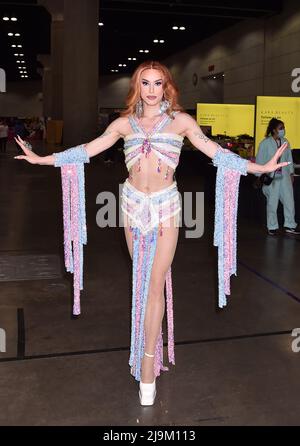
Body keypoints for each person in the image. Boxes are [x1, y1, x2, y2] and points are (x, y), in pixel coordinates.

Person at [14, 61, 289, 406]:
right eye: (145, 83)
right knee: (142, 283)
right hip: (130, 207)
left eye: (158, 83)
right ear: (137, 87)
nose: (152, 89)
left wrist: (257, 167)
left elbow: (216, 153)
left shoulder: (181, 122)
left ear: (167, 87)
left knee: (156, 281)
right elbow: (87, 150)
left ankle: (147, 364)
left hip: (166, 209)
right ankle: (147, 353)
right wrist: (43, 160)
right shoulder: (123, 125)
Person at [256, 118, 300, 236]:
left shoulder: (286, 142)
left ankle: (290, 225)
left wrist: (291, 173)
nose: (283, 130)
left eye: (283, 128)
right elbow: (260, 160)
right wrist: (260, 175)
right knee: (272, 202)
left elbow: (289, 159)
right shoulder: (265, 143)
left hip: (284, 177)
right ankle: (272, 226)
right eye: (281, 128)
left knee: (289, 201)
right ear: (274, 130)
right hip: (272, 178)